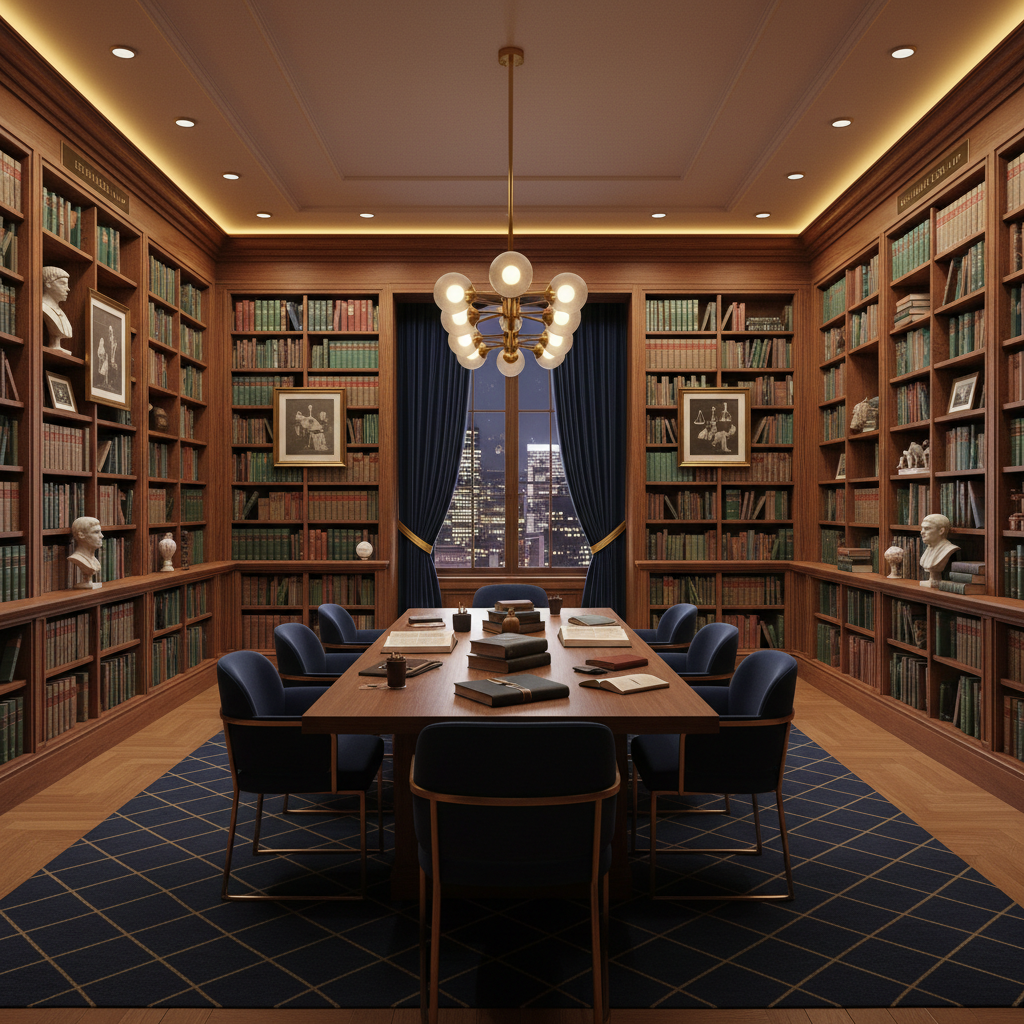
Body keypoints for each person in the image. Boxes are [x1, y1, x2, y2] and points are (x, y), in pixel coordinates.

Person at [919, 513, 960, 585]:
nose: (922, 532)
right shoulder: (929, 548)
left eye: (927, 529)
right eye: (922, 528)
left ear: (941, 531)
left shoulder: (949, 549)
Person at [42, 266, 72, 352]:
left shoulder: (60, 311)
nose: (68, 289)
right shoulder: (42, 307)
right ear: (48, 284)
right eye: (62, 283)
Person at [68, 516, 103, 589]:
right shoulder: (76, 558)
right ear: (81, 535)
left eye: (100, 532)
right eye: (96, 532)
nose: (101, 536)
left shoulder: (95, 561)